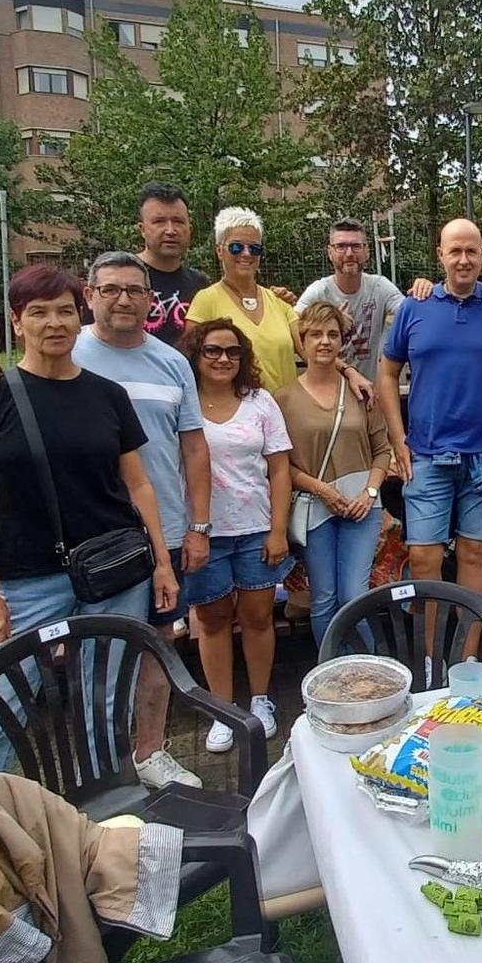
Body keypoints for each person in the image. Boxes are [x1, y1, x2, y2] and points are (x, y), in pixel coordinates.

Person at [0, 252, 212, 790]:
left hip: (113, 571)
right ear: (16, 321)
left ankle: (100, 802)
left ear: (79, 316)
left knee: (105, 700)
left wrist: (161, 564)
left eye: (63, 311)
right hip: (27, 576)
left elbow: (139, 484)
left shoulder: (107, 395)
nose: (54, 323)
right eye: (38, 313)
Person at [378, 218, 482, 601]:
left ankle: (469, 657)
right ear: (440, 255)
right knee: (424, 557)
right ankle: (431, 658)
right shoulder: (416, 306)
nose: (463, 259)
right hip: (426, 453)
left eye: (471, 251)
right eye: (455, 251)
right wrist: (398, 438)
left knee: (474, 554)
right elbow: (387, 372)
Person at [181, 320, 292, 751]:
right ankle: (222, 709)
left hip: (255, 528)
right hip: (202, 533)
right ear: (196, 354)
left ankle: (261, 700)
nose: (223, 359)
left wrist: (278, 528)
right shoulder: (183, 402)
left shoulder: (260, 402)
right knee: (211, 621)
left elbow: (280, 468)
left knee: (259, 617)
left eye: (232, 351)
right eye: (212, 350)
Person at [277, 303, 393, 644]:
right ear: (302, 341)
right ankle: (332, 672)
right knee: (324, 596)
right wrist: (322, 490)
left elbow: (382, 451)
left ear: (343, 341)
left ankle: (370, 671)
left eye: (332, 334)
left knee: (355, 594)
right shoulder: (283, 399)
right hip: (315, 506)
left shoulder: (361, 391)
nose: (324, 342)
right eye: (315, 334)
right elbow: (281, 464)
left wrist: (369, 493)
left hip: (361, 504)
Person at [181, 208, 305, 394]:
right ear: (219, 250)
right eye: (236, 247)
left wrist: (349, 371)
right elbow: (191, 362)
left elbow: (310, 351)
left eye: (254, 248)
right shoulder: (207, 300)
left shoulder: (279, 301)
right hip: (235, 415)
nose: (246, 254)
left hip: (285, 413)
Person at [294, 218, 407, 381]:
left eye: (356, 246)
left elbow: (410, 312)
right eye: (340, 246)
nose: (349, 253)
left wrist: (422, 289)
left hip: (369, 389)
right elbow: (293, 328)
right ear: (330, 252)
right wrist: (330, 321)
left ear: (367, 251)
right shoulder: (319, 291)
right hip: (328, 387)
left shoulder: (379, 287)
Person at [133, 182, 212, 347]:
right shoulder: (120, 280)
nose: (170, 230)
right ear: (142, 229)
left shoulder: (201, 286)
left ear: (189, 229)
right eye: (159, 221)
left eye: (178, 221)